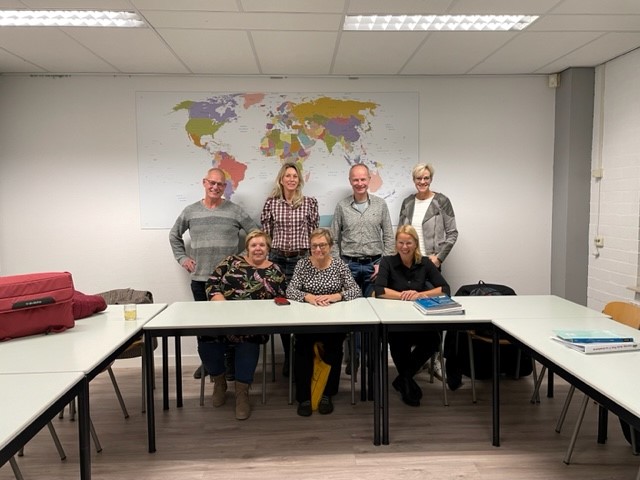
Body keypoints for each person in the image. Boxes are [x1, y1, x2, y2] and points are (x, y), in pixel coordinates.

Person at [169, 167, 258, 380]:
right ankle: (209, 363)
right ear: (204, 182)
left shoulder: (235, 211)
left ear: (225, 187)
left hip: (230, 282)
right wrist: (182, 258)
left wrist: (241, 260)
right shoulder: (190, 211)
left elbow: (256, 234)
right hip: (200, 280)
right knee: (205, 327)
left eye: (220, 184)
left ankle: (230, 364)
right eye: (212, 182)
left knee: (230, 326)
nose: (215, 187)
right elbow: (174, 235)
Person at [199, 230, 286, 420]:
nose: (258, 248)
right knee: (206, 339)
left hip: (254, 324)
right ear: (247, 248)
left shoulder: (276, 270)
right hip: (223, 317)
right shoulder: (231, 261)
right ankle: (219, 382)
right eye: (254, 245)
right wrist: (221, 303)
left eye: (262, 245)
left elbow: (281, 297)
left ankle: (242, 393)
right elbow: (212, 283)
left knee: (248, 342)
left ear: (268, 249)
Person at [286, 228, 362, 416]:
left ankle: (328, 394)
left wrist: (336, 296)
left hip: (333, 320)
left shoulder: (339, 265)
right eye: (314, 246)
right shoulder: (302, 264)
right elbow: (290, 291)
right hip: (307, 320)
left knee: (334, 348)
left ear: (330, 246)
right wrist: (309, 297)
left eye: (322, 245)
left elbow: (355, 290)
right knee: (302, 349)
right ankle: (304, 397)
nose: (318, 249)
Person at [373, 225, 451, 407]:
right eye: (401, 242)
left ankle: (403, 378)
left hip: (419, 318)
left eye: (408, 243)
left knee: (433, 340)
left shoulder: (425, 263)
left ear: (415, 244)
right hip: (395, 320)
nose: (404, 247)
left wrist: (420, 295)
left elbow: (445, 289)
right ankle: (406, 383)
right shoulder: (387, 262)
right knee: (398, 340)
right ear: (396, 244)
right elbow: (379, 290)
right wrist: (403, 295)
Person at [398, 163, 459, 387]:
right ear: (413, 180)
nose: (422, 182)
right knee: (410, 311)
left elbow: (452, 233)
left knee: (434, 312)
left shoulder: (441, 201)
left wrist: (439, 258)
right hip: (409, 264)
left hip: (430, 264)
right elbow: (401, 233)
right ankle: (416, 360)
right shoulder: (408, 202)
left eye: (426, 178)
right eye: (418, 179)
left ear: (431, 179)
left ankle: (435, 359)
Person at [330, 163, 394, 373]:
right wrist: (340, 266)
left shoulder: (380, 205)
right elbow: (333, 239)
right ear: (350, 181)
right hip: (349, 265)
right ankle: (354, 357)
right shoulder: (341, 206)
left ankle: (370, 357)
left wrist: (383, 265)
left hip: (374, 267)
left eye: (363, 179)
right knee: (353, 314)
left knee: (374, 314)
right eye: (355, 179)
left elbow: (389, 237)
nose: (359, 183)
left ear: (369, 180)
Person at [261, 162, 319, 377]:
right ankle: (288, 356)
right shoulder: (271, 203)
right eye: (288, 176)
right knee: (283, 308)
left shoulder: (309, 202)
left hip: (301, 259)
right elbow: (266, 234)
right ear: (281, 179)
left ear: (299, 180)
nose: (291, 179)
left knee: (301, 305)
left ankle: (301, 355)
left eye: (295, 176)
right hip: (277, 259)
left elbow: (314, 234)